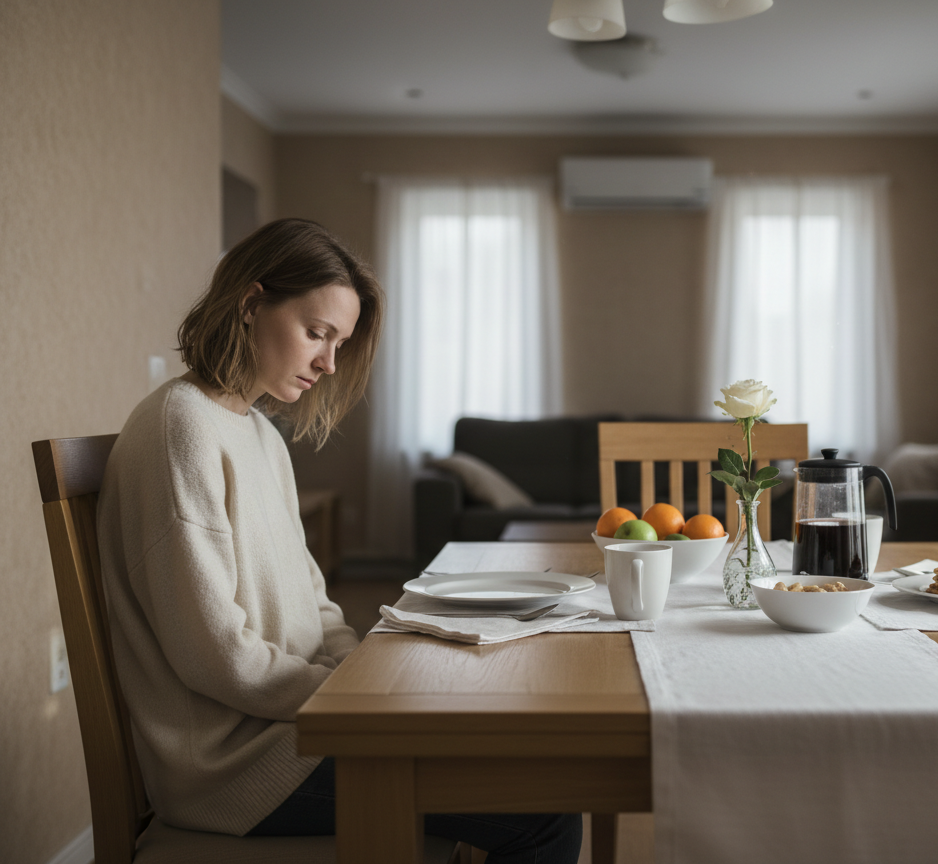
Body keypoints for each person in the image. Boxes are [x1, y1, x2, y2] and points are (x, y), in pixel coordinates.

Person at [97, 218, 581, 862]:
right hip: (239, 767)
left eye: (340, 341)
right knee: (542, 807)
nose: (329, 362)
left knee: (514, 750)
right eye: (317, 333)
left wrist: (360, 674)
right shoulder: (178, 426)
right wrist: (349, 698)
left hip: (301, 726)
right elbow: (213, 654)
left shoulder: (261, 434)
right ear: (250, 304)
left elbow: (316, 602)